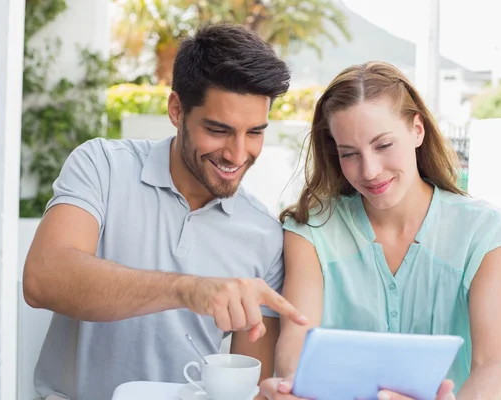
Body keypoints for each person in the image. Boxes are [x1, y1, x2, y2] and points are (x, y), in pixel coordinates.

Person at [23, 23, 307, 400]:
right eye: (219, 130)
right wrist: (188, 290)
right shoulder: (102, 166)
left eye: (254, 132)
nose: (238, 154)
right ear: (177, 110)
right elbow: (43, 279)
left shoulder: (265, 236)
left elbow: (246, 385)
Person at [259, 61, 501, 400]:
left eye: (383, 145)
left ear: (417, 130)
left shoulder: (485, 232)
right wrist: (290, 386)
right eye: (349, 154)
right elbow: (295, 345)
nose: (370, 171)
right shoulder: (310, 231)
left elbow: (493, 363)